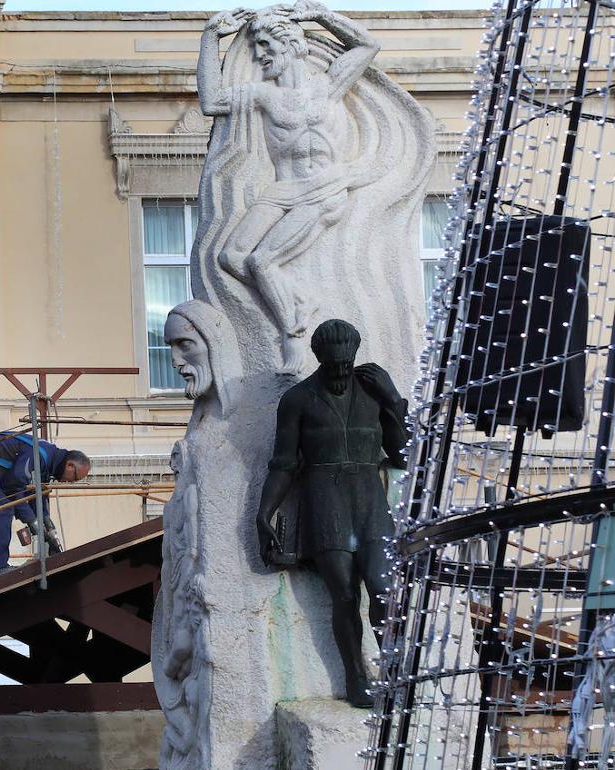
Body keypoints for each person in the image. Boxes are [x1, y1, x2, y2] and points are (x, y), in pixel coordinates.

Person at [196, 1, 381, 372]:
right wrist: (210, 38)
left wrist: (322, 15)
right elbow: (211, 102)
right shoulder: (265, 96)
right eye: (256, 48)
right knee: (231, 256)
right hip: (284, 190)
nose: (260, 55)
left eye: (267, 45)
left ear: (292, 45)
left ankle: (293, 339)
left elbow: (367, 47)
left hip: (323, 188)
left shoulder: (329, 85)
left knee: (262, 260)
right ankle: (296, 300)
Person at [255, 319, 408, 708]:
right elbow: (284, 463)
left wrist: (393, 401)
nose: (341, 371)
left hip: (370, 502)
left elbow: (404, 454)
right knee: (343, 594)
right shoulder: (299, 399)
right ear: (320, 359)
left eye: (346, 364)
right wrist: (264, 513)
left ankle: (393, 670)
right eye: (333, 365)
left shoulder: (373, 391)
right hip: (325, 502)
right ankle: (356, 675)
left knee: (385, 590)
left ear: (354, 357)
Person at [0, 431, 91, 577]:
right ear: (70, 465)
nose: (70, 482)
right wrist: (31, 520)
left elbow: (35, 495)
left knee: (3, 508)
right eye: (74, 478)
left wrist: (47, 524)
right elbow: (12, 487)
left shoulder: (48, 462)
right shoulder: (40, 456)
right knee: (3, 509)